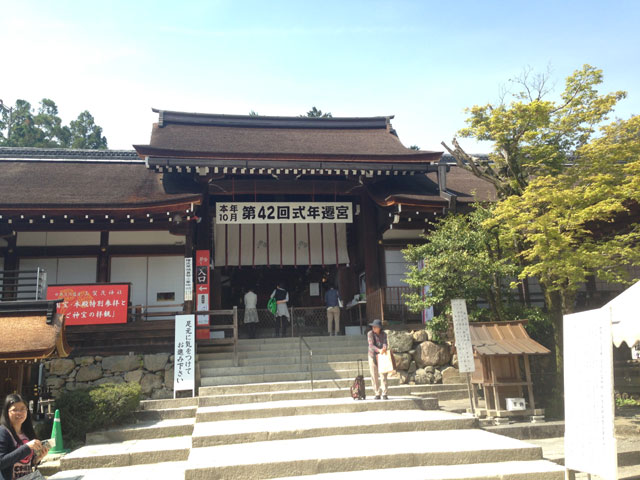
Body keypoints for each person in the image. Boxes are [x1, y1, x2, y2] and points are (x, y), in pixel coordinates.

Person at [0, 393, 49, 480]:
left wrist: (37, 459)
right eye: (14, 410)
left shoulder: (28, 432)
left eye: (23, 409)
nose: (19, 413)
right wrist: (27, 447)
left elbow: (28, 464)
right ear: (7, 412)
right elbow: (2, 462)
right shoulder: (3, 432)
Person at [367, 319, 389, 400]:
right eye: (373, 326)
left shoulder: (384, 334)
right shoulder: (370, 334)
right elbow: (371, 345)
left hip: (382, 356)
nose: (373, 328)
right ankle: (377, 393)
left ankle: (385, 393)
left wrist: (384, 348)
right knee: (374, 374)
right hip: (372, 355)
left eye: (375, 327)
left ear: (379, 327)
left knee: (383, 375)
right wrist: (379, 350)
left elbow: (385, 343)